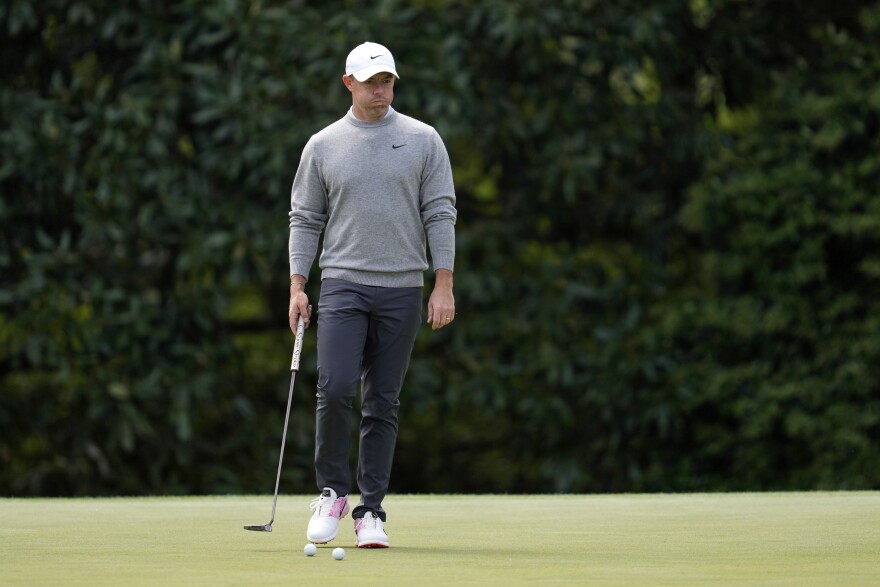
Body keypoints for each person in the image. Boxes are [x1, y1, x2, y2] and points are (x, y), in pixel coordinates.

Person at [287, 41, 457, 549]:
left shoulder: (423, 139)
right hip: (341, 283)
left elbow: (440, 212)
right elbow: (305, 217)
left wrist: (443, 283)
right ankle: (332, 493)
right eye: (370, 82)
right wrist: (297, 285)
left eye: (387, 82)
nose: (380, 90)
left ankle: (371, 512)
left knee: (382, 401)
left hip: (403, 286)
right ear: (349, 84)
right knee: (336, 387)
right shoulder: (322, 144)